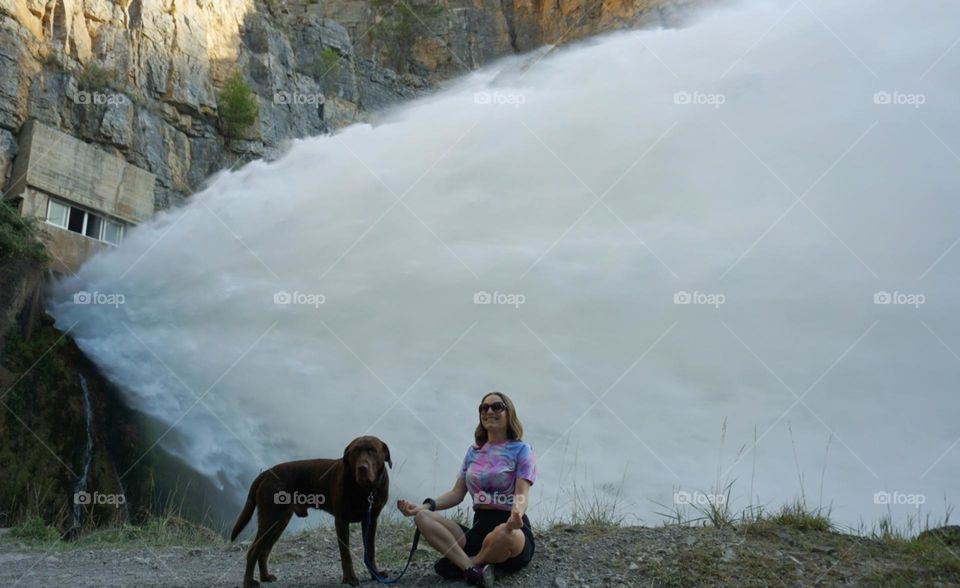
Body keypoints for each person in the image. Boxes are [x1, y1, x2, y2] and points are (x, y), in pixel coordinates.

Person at [397, 391, 537, 587]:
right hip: (478, 530)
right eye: (483, 408)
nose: (489, 411)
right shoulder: (474, 451)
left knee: (503, 533)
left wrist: (516, 516)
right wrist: (424, 507)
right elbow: (456, 494)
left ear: (509, 413)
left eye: (496, 406)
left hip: (511, 529)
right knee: (423, 518)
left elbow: (522, 494)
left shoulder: (522, 450)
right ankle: (473, 570)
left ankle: (471, 563)